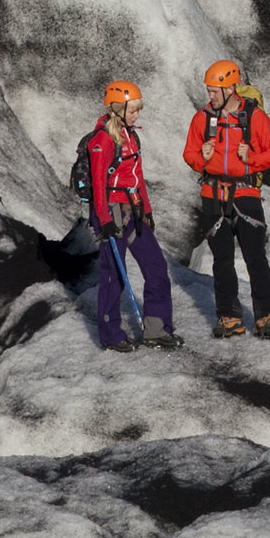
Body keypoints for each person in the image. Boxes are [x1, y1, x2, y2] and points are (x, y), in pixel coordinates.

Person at [69, 79, 176, 350]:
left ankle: (157, 328)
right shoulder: (102, 140)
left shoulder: (131, 136)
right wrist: (104, 220)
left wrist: (147, 211)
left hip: (134, 209)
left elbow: (137, 177)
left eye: (137, 110)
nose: (136, 115)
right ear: (116, 108)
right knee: (113, 274)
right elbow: (98, 181)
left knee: (156, 267)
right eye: (132, 110)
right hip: (111, 213)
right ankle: (111, 335)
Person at [184, 59, 270, 338]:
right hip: (213, 194)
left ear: (231, 88)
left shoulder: (254, 117)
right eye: (209, 90)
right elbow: (189, 153)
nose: (210, 96)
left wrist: (250, 161)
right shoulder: (203, 118)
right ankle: (228, 316)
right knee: (222, 260)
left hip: (245, 193)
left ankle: (264, 315)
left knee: (255, 257)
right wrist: (201, 160)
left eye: (215, 90)